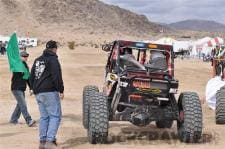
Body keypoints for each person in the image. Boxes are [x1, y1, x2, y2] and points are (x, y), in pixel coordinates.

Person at [30, 40, 64, 149]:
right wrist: (61, 90)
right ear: (54, 49)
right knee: (55, 116)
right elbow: (56, 76)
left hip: (38, 93)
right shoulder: (53, 59)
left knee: (44, 117)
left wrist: (34, 88)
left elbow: (31, 77)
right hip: (49, 91)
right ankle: (49, 142)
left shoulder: (37, 60)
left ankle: (42, 142)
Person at [10, 51, 36, 127]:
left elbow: (27, 78)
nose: (26, 58)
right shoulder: (17, 65)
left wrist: (31, 88)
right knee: (23, 104)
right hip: (16, 88)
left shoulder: (25, 66)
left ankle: (13, 119)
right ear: (20, 57)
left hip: (21, 88)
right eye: (24, 56)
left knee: (20, 105)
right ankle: (29, 120)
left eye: (26, 56)